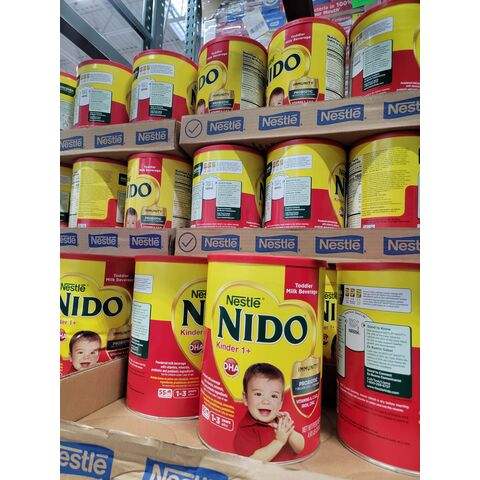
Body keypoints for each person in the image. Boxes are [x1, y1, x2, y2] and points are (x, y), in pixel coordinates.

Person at [233, 363, 305, 462]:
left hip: (289, 468)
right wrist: (279, 441)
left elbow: (299, 448)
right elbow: (253, 461)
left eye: (273, 396)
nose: (266, 401)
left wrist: (289, 431)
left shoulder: (280, 420)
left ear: (281, 403)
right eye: (258, 394)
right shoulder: (246, 429)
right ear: (245, 398)